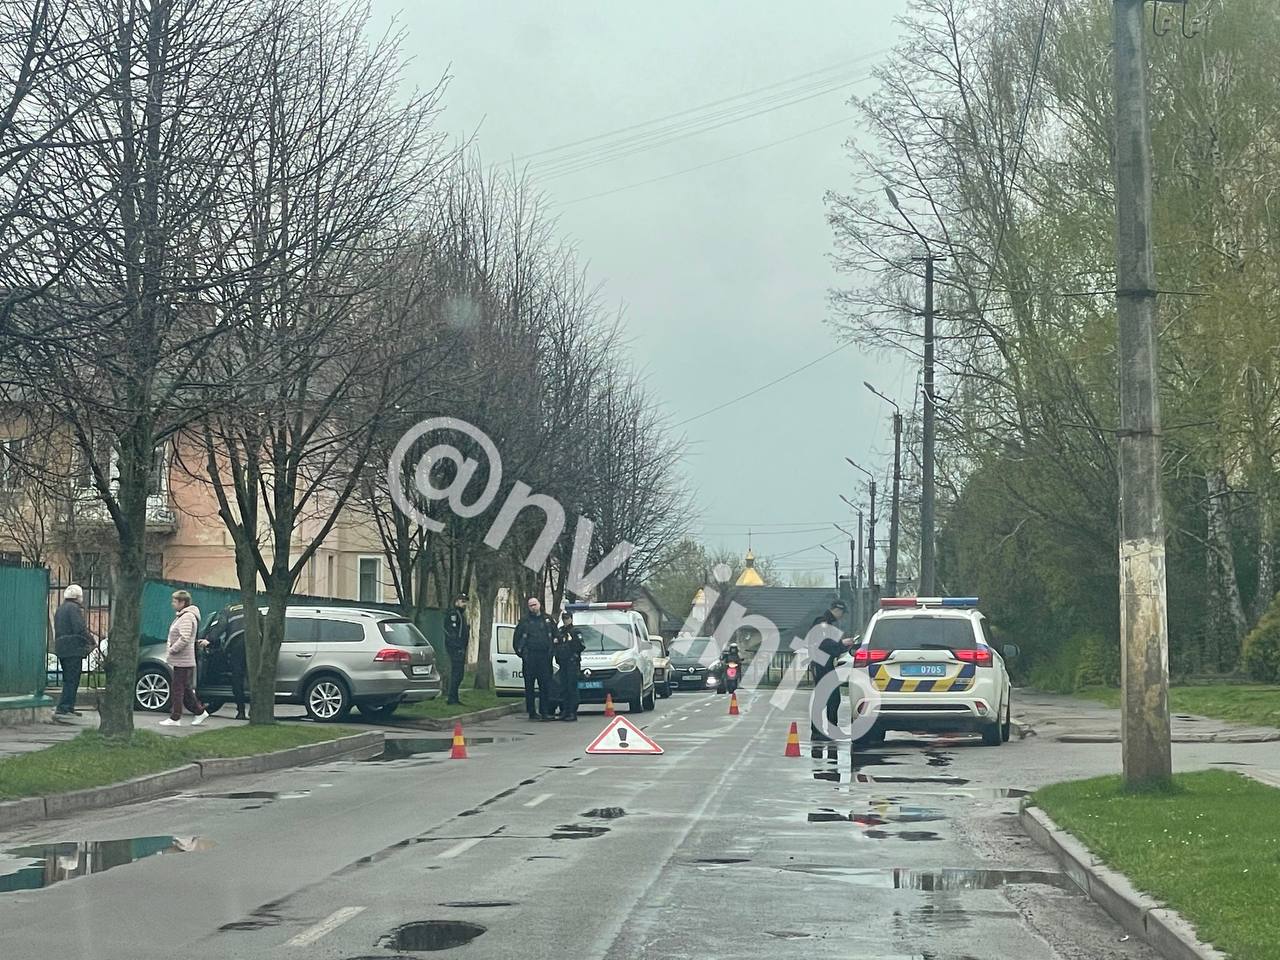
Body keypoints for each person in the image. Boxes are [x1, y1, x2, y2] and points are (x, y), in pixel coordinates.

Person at [161, 590, 208, 727]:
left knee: (177, 688)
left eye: (175, 601)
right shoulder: (183, 616)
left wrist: (172, 649)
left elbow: (185, 637)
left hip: (183, 659)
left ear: (183, 602)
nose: (172, 604)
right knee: (185, 688)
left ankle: (175, 717)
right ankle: (199, 711)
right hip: (182, 659)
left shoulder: (187, 617)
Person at [809, 599, 854, 742]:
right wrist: (842, 644)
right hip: (821, 664)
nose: (841, 616)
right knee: (825, 698)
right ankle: (819, 732)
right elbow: (826, 645)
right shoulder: (822, 623)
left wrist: (842, 645)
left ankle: (828, 730)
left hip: (825, 664)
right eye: (842, 613)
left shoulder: (827, 624)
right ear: (837, 610)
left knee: (832, 698)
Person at [52, 584, 96, 718]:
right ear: (77, 597)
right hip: (73, 648)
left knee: (68, 678)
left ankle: (67, 706)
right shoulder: (74, 609)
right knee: (73, 678)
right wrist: (92, 641)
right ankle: (65, 707)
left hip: (61, 647)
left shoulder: (61, 609)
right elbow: (79, 628)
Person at [513, 595, 556, 721]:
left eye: (535, 604)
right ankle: (532, 712)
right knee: (529, 686)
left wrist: (553, 650)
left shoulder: (547, 620)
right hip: (530, 658)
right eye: (531, 605)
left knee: (545, 685)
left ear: (539, 605)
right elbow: (516, 640)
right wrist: (522, 654)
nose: (533, 607)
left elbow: (556, 635)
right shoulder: (524, 621)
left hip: (544, 657)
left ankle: (544, 712)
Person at [207, 606, 248, 720]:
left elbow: (220, 628)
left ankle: (241, 711)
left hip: (237, 645)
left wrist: (209, 639)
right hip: (256, 645)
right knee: (254, 679)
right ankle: (255, 711)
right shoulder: (254, 609)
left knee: (237, 678)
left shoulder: (228, 610)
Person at [553, 610, 585, 722]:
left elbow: (581, 646)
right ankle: (565, 711)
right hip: (562, 663)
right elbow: (556, 644)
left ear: (571, 619)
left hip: (572, 663)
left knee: (572, 688)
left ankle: (572, 712)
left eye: (567, 618)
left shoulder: (575, 631)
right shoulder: (560, 631)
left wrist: (571, 643)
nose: (566, 620)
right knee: (564, 688)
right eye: (564, 618)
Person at [443, 593, 470, 705]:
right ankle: (451, 698)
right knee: (457, 674)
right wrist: (458, 646)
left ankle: (454, 698)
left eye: (465, 602)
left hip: (460, 648)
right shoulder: (453, 614)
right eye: (462, 601)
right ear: (456, 602)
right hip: (456, 649)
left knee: (459, 674)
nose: (464, 604)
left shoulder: (460, 615)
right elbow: (452, 633)